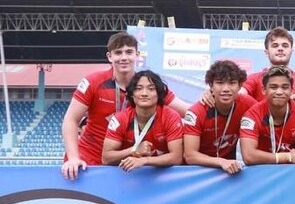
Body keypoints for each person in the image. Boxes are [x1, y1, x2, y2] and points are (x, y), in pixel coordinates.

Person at [61, 32, 188, 180]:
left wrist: (209, 100)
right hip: (91, 158)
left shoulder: (148, 86)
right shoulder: (93, 82)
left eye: (129, 52)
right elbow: (71, 119)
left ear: (137, 55)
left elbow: (188, 111)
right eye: (118, 53)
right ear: (109, 56)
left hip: (129, 160)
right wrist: (74, 158)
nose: (123, 58)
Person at [183, 60, 258, 174]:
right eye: (220, 83)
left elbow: (269, 111)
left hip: (228, 171)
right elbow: (190, 155)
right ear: (211, 86)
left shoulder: (249, 105)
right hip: (196, 172)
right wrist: (221, 161)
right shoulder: (197, 111)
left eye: (232, 83)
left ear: (240, 86)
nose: (226, 88)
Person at [102, 70, 184, 172]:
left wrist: (145, 160)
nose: (144, 93)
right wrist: (133, 150)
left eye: (151, 89)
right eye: (139, 89)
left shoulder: (171, 117)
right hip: (129, 178)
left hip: (163, 179)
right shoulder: (120, 118)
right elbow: (106, 158)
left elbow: (176, 158)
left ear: (158, 94)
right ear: (132, 94)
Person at [239, 66, 295, 165]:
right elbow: (249, 157)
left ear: (292, 90)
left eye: (285, 87)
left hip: (293, 169)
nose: (279, 92)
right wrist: (287, 156)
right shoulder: (252, 115)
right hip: (262, 169)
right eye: (273, 87)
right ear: (264, 90)